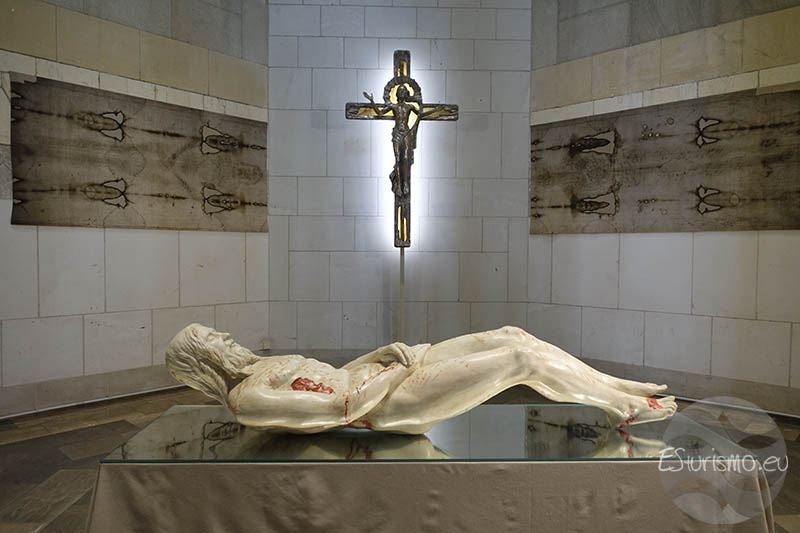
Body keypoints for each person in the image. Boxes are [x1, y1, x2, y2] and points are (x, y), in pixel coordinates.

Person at [166, 325, 677, 434]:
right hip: (386, 405)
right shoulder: (249, 398)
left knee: (512, 335)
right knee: (520, 360)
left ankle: (615, 385)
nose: (226, 337)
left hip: (384, 374)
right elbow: (340, 408)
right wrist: (392, 371)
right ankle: (622, 407)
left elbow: (337, 376)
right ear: (204, 362)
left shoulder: (263, 365)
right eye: (214, 339)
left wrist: (379, 354)